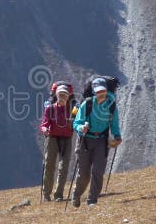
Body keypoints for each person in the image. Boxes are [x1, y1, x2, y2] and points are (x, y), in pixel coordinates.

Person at [71, 77, 122, 208]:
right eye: (98, 91)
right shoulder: (87, 104)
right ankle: (76, 195)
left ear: (106, 91)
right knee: (84, 174)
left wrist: (117, 135)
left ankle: (92, 200)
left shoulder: (112, 105)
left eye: (103, 91)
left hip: (102, 141)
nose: (101, 93)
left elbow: (114, 123)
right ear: (94, 92)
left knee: (98, 171)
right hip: (85, 140)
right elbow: (76, 122)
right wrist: (81, 128)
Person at [39, 85, 74, 202]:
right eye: (60, 95)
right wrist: (45, 129)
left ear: (68, 96)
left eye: (65, 95)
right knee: (49, 165)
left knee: (63, 168)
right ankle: (46, 194)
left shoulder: (73, 110)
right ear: (57, 95)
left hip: (66, 139)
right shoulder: (50, 109)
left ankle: (58, 194)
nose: (62, 97)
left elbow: (78, 121)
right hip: (52, 137)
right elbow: (44, 123)